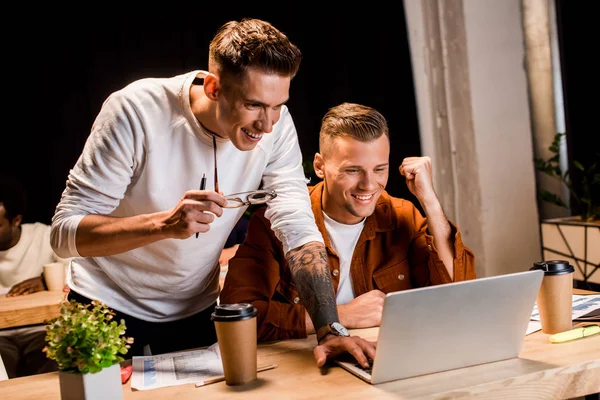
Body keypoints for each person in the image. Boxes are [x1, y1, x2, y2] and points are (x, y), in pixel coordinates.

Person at [50, 18, 374, 367]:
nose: (267, 125)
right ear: (213, 88)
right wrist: (163, 225)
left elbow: (297, 227)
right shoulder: (135, 111)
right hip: (104, 308)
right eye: (253, 106)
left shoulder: (277, 129)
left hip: (197, 310)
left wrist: (330, 328)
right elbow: (63, 234)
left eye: (278, 105)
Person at [220, 102, 477, 341]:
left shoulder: (402, 216)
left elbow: (457, 297)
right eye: (353, 170)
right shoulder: (276, 222)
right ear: (320, 166)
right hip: (310, 368)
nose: (368, 185)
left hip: (385, 357)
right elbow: (239, 317)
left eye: (379, 169)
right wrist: (340, 316)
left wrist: (429, 200)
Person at [0, 178, 66, 378]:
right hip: (2, 333)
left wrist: (46, 281)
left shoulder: (42, 236)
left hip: (40, 328)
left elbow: (77, 267)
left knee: (51, 371)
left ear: (16, 221)